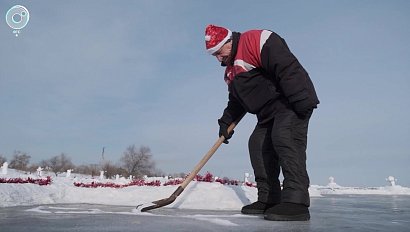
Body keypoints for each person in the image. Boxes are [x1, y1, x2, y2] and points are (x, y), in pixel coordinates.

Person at [204, 24, 319, 221]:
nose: (217, 58)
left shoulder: (255, 40)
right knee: (257, 144)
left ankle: (296, 202)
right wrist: (225, 122)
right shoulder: (231, 72)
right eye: (213, 54)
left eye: (218, 52)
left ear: (228, 42)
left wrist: (301, 98)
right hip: (267, 114)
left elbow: (286, 66)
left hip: (290, 102)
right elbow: (236, 102)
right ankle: (270, 199)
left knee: (284, 136)